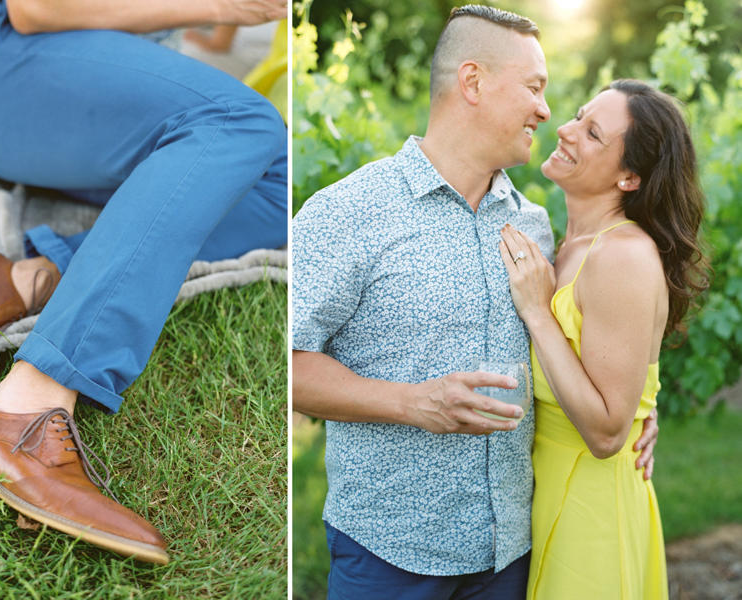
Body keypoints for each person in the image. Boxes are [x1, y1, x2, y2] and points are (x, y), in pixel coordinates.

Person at [291, 6, 658, 599]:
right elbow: (281, 364)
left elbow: (586, 348)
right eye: (534, 88)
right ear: (472, 82)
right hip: (390, 558)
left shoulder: (536, 228)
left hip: (512, 558)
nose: (546, 110)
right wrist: (414, 404)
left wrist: (638, 406)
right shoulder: (348, 213)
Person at [0, 0, 288, 565]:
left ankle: (27, 280)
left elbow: (210, 37)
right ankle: (25, 404)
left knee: (273, 185)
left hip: (92, 102)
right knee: (239, 122)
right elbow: (33, 9)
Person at [498, 79, 708, 599]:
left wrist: (538, 315)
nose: (564, 131)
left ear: (631, 177)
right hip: (545, 495)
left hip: (590, 513)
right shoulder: (563, 243)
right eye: (577, 116)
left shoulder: (622, 256)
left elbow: (609, 434)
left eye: (592, 133)